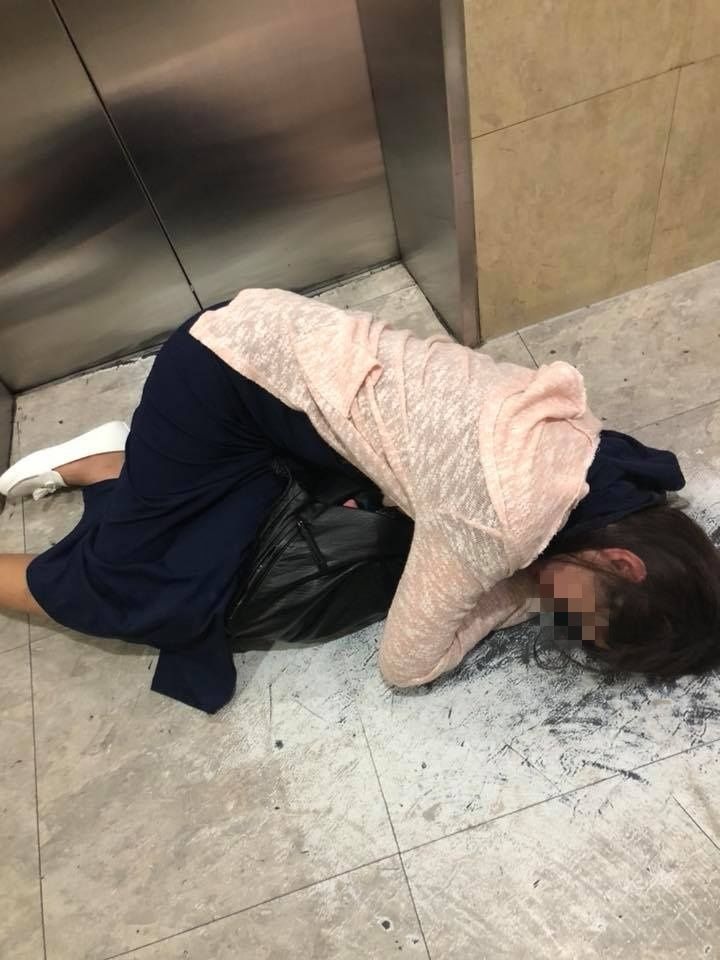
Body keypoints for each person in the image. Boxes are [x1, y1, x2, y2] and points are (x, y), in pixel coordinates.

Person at [1, 289, 718, 712]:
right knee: (129, 594)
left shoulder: (604, 464)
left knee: (231, 542)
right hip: (224, 370)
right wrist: (521, 592)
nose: (562, 624)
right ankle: (116, 464)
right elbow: (407, 664)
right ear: (621, 562)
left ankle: (118, 464)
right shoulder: (501, 518)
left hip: (287, 346)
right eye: (580, 619)